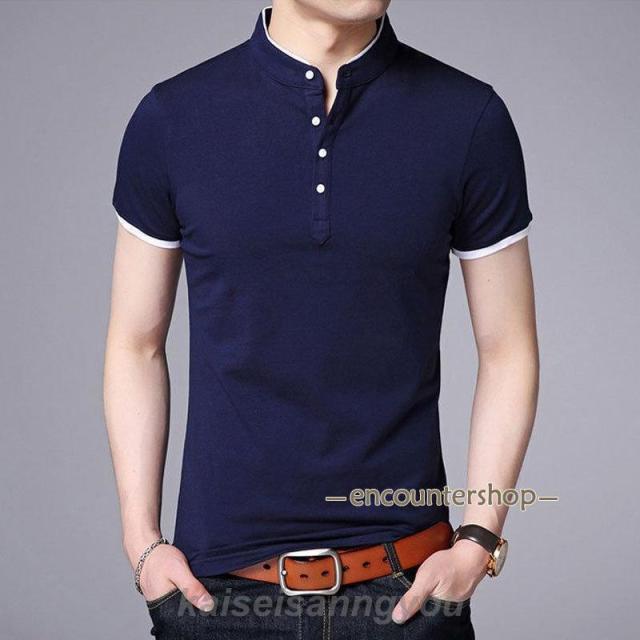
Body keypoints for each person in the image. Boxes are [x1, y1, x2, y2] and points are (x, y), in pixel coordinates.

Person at [104, 1, 539, 637]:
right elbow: (135, 344)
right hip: (217, 597)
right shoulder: (174, 118)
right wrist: (141, 543)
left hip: (407, 593)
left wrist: (479, 539)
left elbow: (509, 350)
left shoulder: (468, 118)